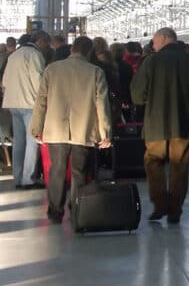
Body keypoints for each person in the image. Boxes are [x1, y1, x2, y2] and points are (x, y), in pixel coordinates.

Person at [30, 36, 111, 223]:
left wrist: (36, 127)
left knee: (57, 170)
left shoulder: (52, 69)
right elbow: (102, 104)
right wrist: (105, 133)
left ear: (72, 49)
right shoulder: (95, 71)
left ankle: (55, 211)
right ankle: (77, 209)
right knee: (79, 172)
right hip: (82, 131)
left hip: (55, 130)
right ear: (89, 51)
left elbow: (41, 101)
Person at [131, 27, 189, 224]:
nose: (153, 46)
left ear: (164, 39)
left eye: (154, 41)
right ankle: (175, 209)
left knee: (153, 162)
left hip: (156, 124)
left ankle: (160, 203)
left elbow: (137, 95)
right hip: (184, 124)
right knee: (179, 166)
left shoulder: (151, 62)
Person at [1, 31, 50, 188]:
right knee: (32, 141)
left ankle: (17, 177)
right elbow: (38, 80)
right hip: (29, 104)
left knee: (19, 141)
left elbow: (5, 81)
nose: (46, 47)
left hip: (13, 103)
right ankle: (28, 179)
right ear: (40, 41)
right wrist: (44, 101)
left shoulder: (14, 55)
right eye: (45, 44)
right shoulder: (34, 54)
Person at [111, 43, 134, 121]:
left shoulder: (108, 66)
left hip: (113, 99)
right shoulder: (127, 66)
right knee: (127, 119)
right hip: (126, 98)